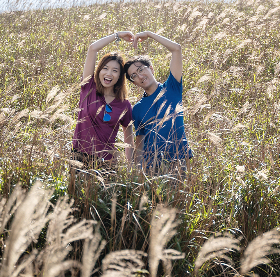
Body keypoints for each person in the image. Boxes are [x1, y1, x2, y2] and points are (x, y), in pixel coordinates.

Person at [123, 31, 192, 175]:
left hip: (178, 162)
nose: (140, 76)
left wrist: (149, 34)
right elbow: (140, 142)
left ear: (151, 68)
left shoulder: (172, 87)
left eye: (141, 69)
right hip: (151, 167)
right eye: (134, 76)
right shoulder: (137, 109)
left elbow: (176, 49)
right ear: (134, 82)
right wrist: (137, 171)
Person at [72, 31, 135, 167]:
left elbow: (129, 140)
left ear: (119, 76)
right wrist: (117, 35)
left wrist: (131, 167)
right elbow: (93, 48)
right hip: (79, 158)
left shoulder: (124, 104)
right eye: (105, 68)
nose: (108, 73)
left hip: (106, 164)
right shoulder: (88, 88)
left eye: (115, 70)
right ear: (99, 70)